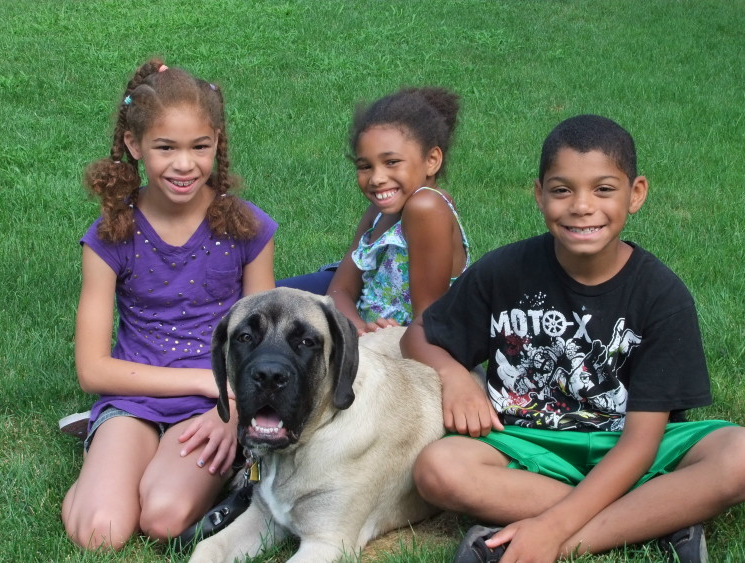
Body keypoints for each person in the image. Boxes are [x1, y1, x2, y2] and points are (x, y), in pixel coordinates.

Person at [400, 114, 745, 563]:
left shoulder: (662, 295)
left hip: (634, 449)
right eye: (562, 190)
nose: (582, 206)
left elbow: (641, 444)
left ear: (635, 193)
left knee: (739, 455)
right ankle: (659, 515)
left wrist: (553, 530)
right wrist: (454, 375)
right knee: (438, 469)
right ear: (539, 194)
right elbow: (418, 334)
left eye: (603, 189)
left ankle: (542, 540)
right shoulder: (504, 270)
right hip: (530, 447)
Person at [61, 59, 277, 551]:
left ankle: (192, 466)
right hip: (134, 400)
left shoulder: (247, 228)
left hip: (213, 407)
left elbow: (264, 343)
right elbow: (92, 370)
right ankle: (103, 458)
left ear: (217, 141)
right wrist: (206, 381)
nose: (185, 164)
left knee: (162, 519)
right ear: (136, 147)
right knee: (101, 533)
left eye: (200, 146)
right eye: (166, 148)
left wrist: (233, 411)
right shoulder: (109, 235)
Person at [277, 87, 470, 335]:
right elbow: (340, 290)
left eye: (391, 162)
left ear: (431, 160)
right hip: (359, 327)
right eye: (365, 166)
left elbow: (428, 321)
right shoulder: (377, 212)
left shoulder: (427, 208)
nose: (377, 178)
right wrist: (357, 329)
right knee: (255, 304)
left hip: (402, 344)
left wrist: (380, 340)